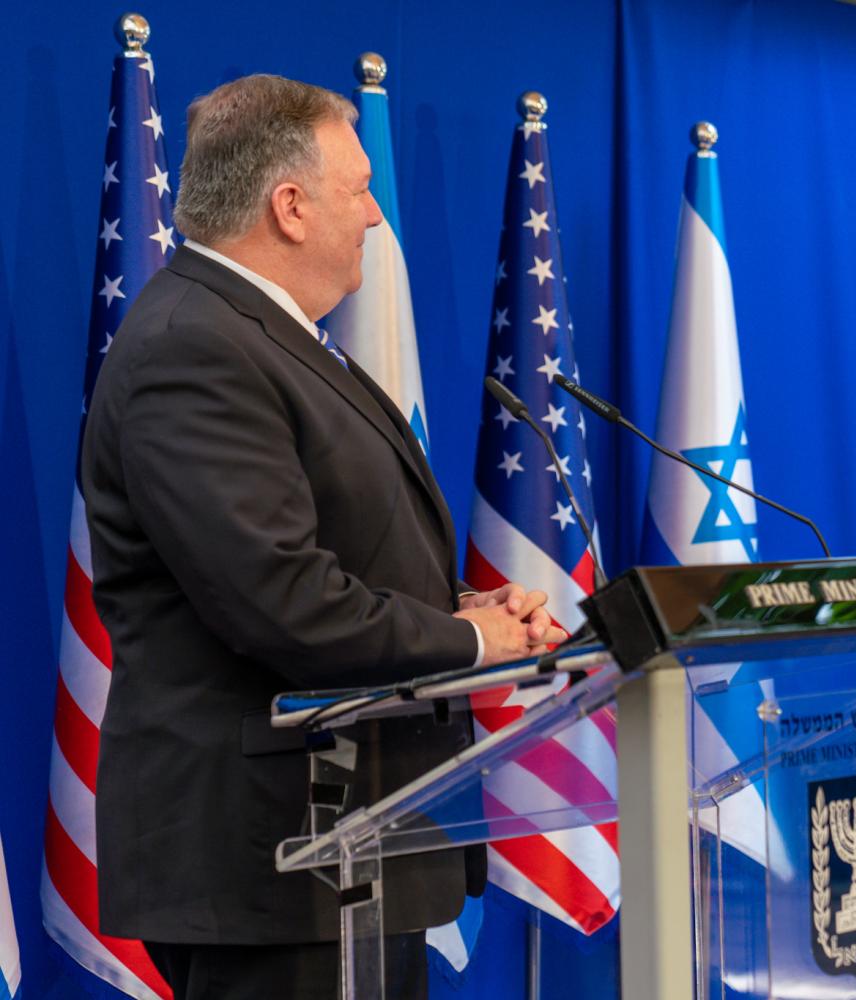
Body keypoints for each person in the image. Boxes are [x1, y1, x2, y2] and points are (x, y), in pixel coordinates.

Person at [81, 75, 563, 999]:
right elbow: (278, 600)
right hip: (274, 862)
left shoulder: (264, 336)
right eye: (360, 191)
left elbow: (310, 558)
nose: (377, 219)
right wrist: (470, 642)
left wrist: (459, 611)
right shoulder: (197, 346)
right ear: (290, 207)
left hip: (342, 853)